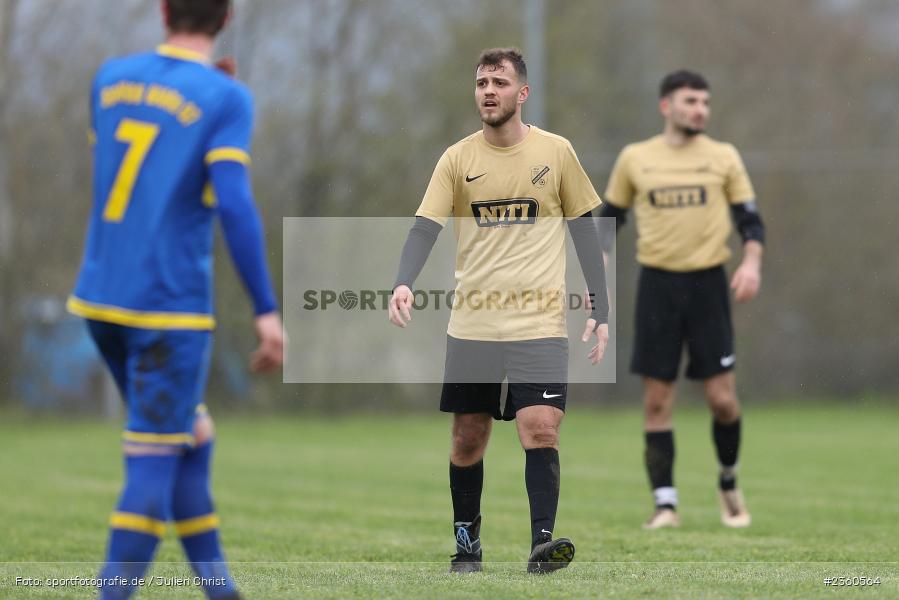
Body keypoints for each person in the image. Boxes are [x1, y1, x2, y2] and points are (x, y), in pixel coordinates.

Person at [67, 1, 284, 597]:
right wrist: (266, 309)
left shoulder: (110, 79)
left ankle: (222, 592)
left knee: (191, 435)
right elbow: (234, 204)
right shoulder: (226, 98)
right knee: (151, 462)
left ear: (163, 10)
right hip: (168, 308)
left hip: (100, 299)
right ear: (227, 17)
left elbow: (143, 152)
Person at [388, 47, 610, 574]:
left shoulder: (556, 154)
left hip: (539, 322)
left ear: (522, 93)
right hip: (474, 325)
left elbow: (585, 233)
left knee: (540, 427)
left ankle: (542, 546)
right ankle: (467, 547)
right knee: (469, 435)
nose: (489, 90)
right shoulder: (457, 158)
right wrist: (402, 282)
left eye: (500, 82)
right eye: (482, 82)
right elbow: (425, 227)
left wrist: (600, 309)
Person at [600, 70, 765, 529]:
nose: (700, 110)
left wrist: (750, 263)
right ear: (666, 106)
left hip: (709, 285)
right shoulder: (636, 158)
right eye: (691, 101)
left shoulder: (723, 156)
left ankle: (728, 480)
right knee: (656, 400)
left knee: (722, 400)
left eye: (705, 103)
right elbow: (606, 225)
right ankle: (665, 505)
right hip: (658, 287)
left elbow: (751, 222)